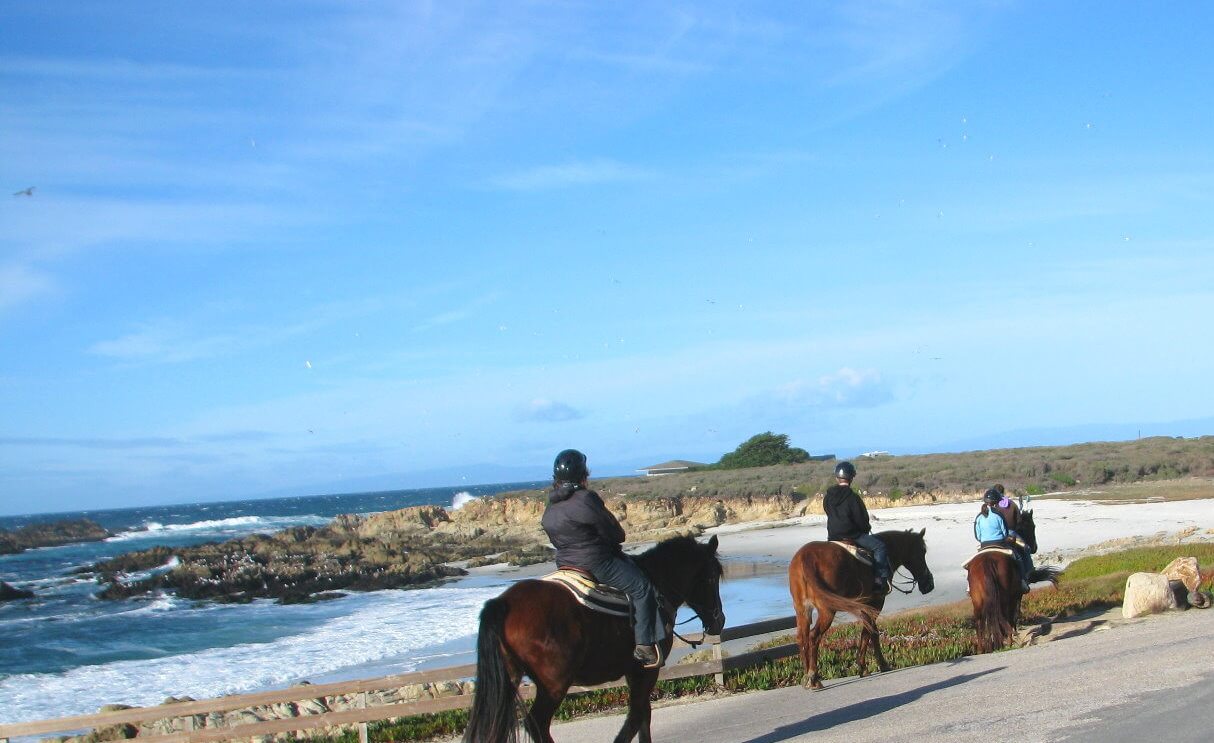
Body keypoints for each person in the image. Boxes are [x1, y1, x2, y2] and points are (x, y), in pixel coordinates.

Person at [540, 449, 667, 669]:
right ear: (583, 476)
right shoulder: (586, 498)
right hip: (596, 562)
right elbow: (615, 533)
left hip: (565, 565)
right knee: (642, 588)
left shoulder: (551, 506)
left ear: (556, 479)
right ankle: (644, 645)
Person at [823, 461, 892, 593]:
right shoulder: (853, 497)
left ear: (837, 478)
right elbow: (861, 519)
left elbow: (828, 512)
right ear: (851, 478)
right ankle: (879, 579)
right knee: (880, 547)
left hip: (833, 536)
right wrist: (865, 528)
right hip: (852, 535)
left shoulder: (827, 497)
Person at [975, 487, 1030, 592]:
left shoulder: (979, 517)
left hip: (984, 545)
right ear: (996, 503)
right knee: (1018, 558)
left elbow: (977, 536)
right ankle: (1023, 581)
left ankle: (970, 587)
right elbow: (1005, 533)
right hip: (1000, 543)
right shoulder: (998, 515)